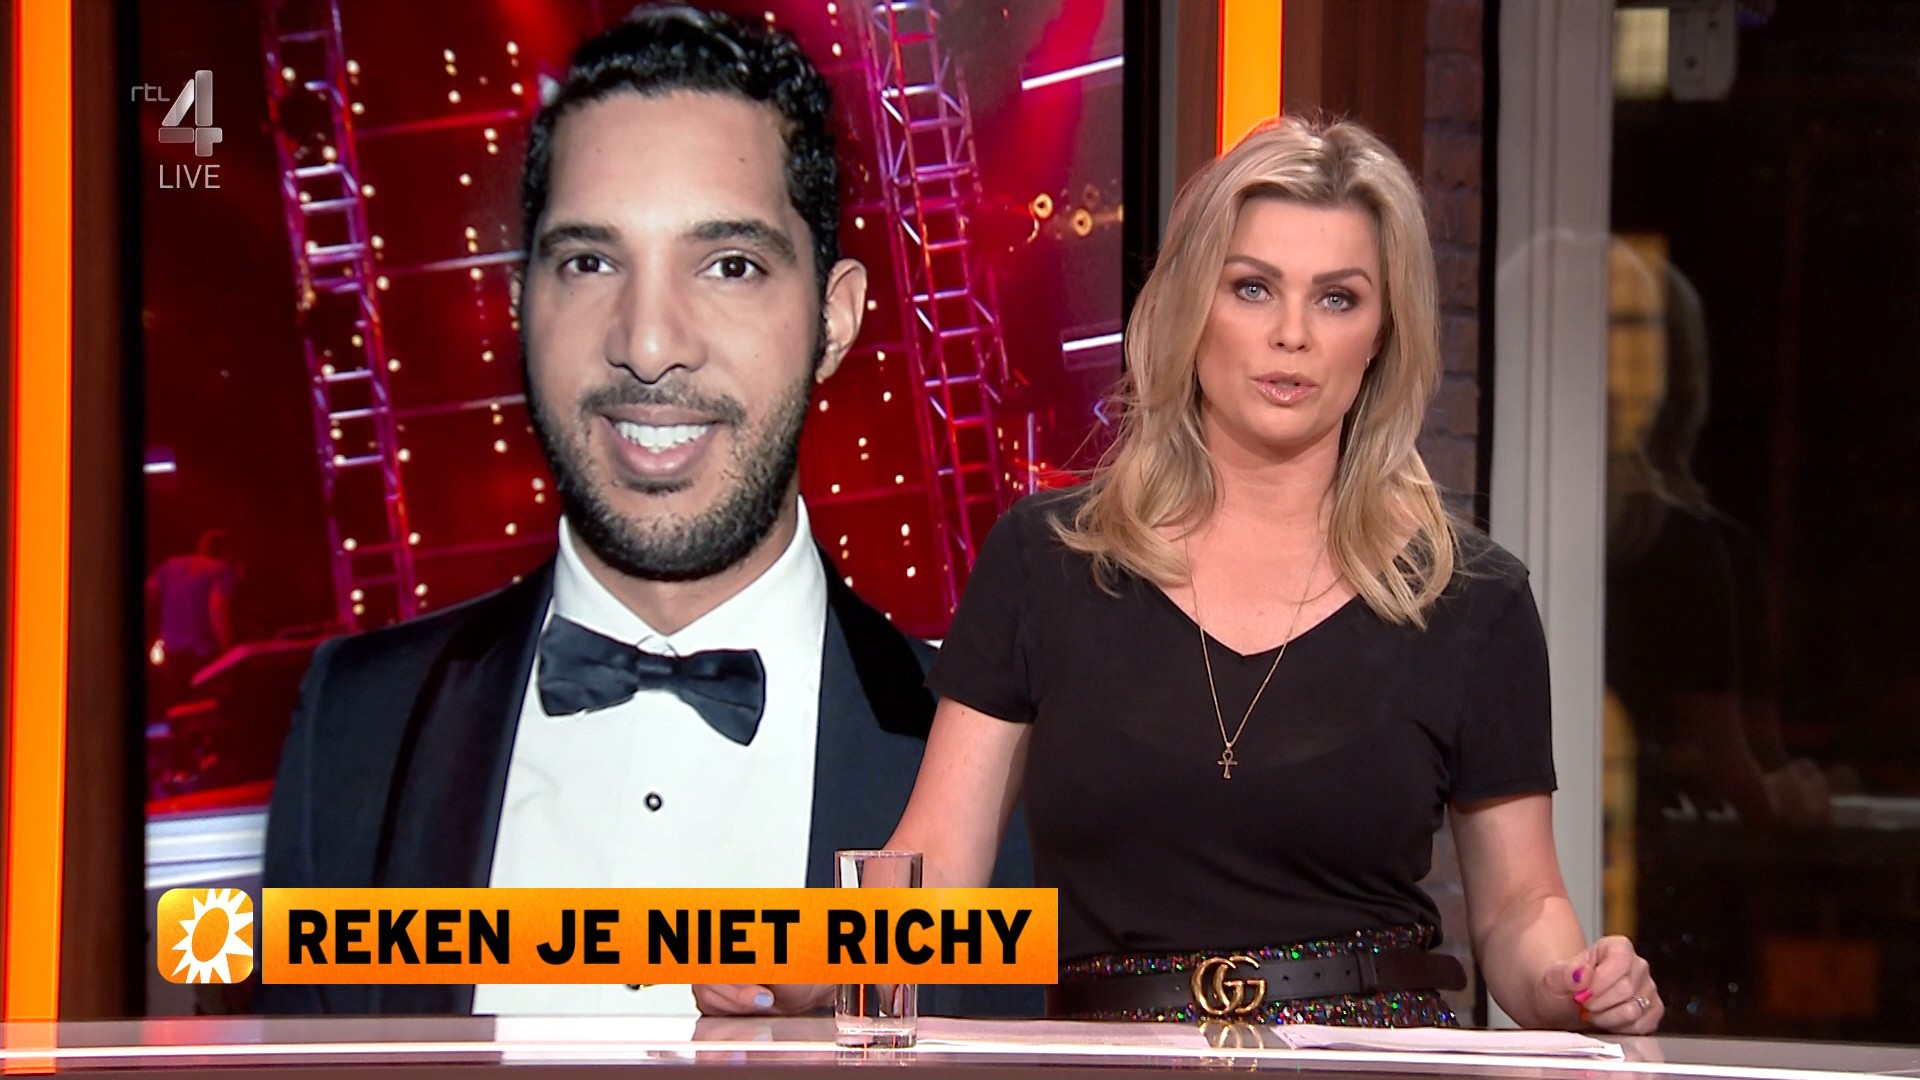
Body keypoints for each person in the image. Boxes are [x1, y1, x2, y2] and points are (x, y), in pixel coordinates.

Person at [700, 116, 1662, 1032]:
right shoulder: (1047, 562)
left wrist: (1573, 985)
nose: (1292, 334)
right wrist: (793, 962)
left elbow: (1522, 909)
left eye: (1337, 298)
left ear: (1382, 334)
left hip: (1371, 1055)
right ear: (1191, 305)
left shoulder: (1470, 598)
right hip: (1113, 1057)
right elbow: (935, 875)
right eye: (1253, 288)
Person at [261, 4, 1032, 1017]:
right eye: (590, 262)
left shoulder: (1003, 762)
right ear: (521, 304)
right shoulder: (355, 724)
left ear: (835, 320)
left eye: (730, 265)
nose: (650, 342)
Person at [146, 528, 238, 715]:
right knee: (203, 714)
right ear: (227, 552)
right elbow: (217, 607)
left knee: (174, 712)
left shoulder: (170, 565)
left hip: (171, 656)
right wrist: (227, 651)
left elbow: (149, 593)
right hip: (203, 656)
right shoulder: (221, 570)